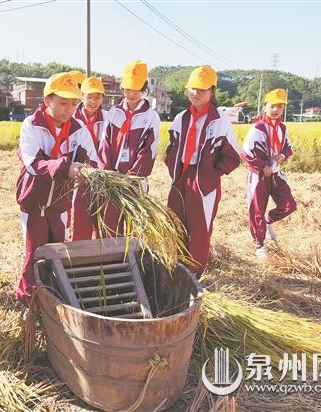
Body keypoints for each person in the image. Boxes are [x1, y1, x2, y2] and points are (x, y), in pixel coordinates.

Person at [15, 72, 97, 305]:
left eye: (74, 103)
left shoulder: (78, 129)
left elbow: (93, 159)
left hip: (60, 205)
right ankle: (28, 303)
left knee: (57, 254)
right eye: (62, 103)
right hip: (34, 203)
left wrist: (92, 171)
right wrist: (67, 168)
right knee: (34, 256)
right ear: (47, 100)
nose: (69, 109)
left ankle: (52, 301)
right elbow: (33, 164)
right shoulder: (32, 125)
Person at [165, 65, 240, 276]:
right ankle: (175, 269)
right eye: (193, 89)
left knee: (199, 230)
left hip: (203, 181)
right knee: (174, 223)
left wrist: (211, 174)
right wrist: (172, 164)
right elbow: (171, 148)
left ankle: (193, 275)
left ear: (212, 91)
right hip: (180, 177)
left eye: (202, 90)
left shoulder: (220, 120)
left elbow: (233, 157)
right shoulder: (181, 118)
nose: (196, 93)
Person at [98, 60, 160, 235]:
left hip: (135, 182)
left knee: (135, 228)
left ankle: (132, 263)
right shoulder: (113, 113)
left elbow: (149, 151)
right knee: (110, 226)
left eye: (135, 89)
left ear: (143, 89)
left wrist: (132, 177)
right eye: (127, 89)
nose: (131, 94)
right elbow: (105, 145)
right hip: (112, 180)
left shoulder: (151, 117)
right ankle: (112, 261)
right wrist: (108, 175)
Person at [242, 88, 297, 259]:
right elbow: (245, 152)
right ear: (265, 106)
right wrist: (261, 166)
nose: (276, 110)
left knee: (289, 205)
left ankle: (269, 220)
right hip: (258, 176)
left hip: (276, 174)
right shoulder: (257, 128)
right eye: (273, 106)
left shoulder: (283, 127)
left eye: (280, 107)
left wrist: (283, 155)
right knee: (256, 209)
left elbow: (288, 147)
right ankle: (259, 244)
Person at [71, 75, 107, 240]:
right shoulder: (72, 119)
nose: (93, 101)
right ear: (81, 96)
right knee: (80, 220)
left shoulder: (108, 118)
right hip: (79, 176)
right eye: (89, 96)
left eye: (98, 97)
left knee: (104, 221)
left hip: (104, 177)